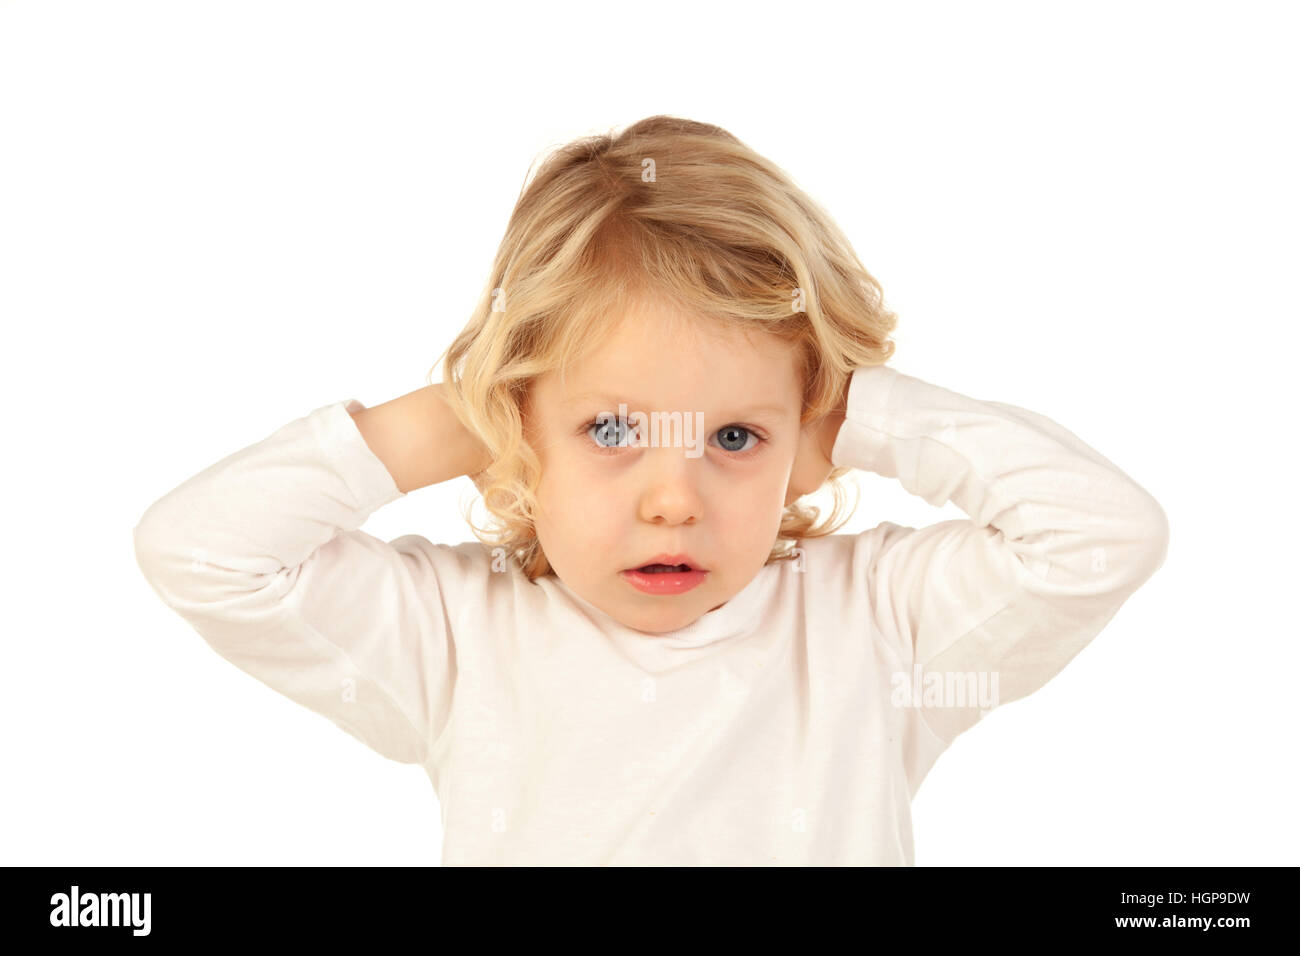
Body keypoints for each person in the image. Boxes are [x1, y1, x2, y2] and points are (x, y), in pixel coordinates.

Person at [133, 115, 1169, 865]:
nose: (675, 497)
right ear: (520, 422)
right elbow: (204, 551)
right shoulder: (456, 632)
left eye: (733, 435)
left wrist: (859, 412)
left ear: (808, 433)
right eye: (612, 429)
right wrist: (469, 411)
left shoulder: (877, 623)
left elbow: (1098, 534)